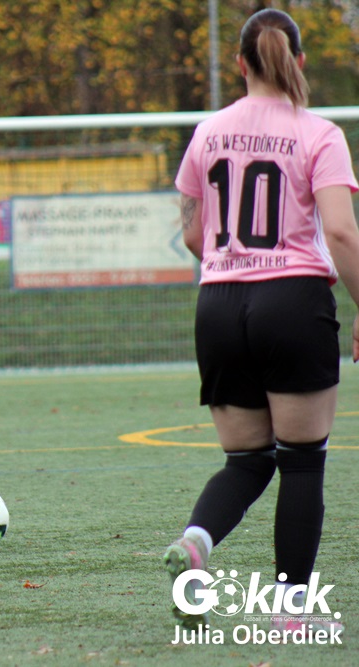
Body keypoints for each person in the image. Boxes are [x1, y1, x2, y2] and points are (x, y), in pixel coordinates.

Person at [165, 8, 359, 632]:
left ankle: (197, 540)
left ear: (241, 64)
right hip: (292, 300)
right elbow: (341, 232)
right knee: (301, 459)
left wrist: (234, 264)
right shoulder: (319, 134)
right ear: (299, 61)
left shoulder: (207, 131)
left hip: (219, 304)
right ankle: (291, 610)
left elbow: (193, 232)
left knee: (247, 460)